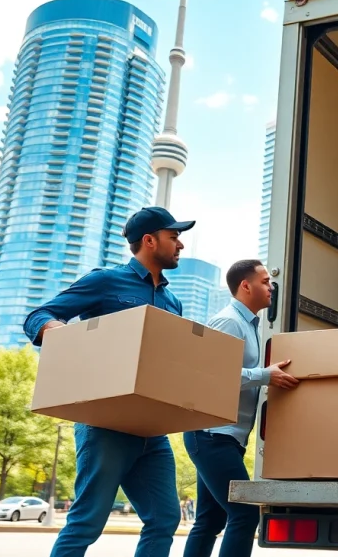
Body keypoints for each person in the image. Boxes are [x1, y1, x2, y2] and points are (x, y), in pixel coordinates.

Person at [23, 206, 196, 557]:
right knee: (88, 521)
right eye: (174, 236)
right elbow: (38, 315)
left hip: (152, 431)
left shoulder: (172, 301)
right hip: (105, 423)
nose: (180, 245)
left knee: (165, 518)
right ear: (149, 240)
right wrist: (64, 333)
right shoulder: (105, 281)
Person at [183, 259, 298, 557]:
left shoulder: (248, 324)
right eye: (264, 281)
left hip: (224, 437)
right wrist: (265, 375)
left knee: (210, 519)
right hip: (210, 435)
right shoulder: (229, 322)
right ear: (245, 286)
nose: (271, 285)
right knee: (245, 514)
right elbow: (214, 375)